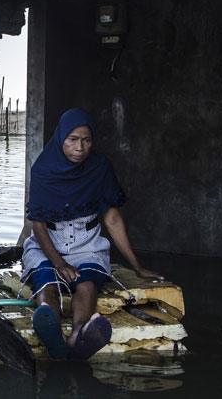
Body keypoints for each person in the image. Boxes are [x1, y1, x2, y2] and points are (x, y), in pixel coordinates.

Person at [22, 108, 163, 360]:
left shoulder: (99, 167)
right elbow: (39, 226)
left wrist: (137, 267)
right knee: (48, 283)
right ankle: (49, 327)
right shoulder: (43, 169)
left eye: (86, 140)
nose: (80, 147)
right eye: (73, 140)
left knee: (86, 284)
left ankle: (78, 334)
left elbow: (112, 218)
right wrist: (59, 263)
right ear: (61, 139)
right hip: (48, 243)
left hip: (87, 243)